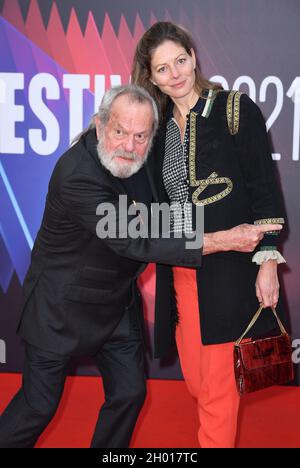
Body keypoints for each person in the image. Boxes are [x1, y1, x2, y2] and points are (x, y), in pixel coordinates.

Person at [0, 84, 205, 448]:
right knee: (38, 405)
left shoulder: (143, 157)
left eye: (141, 136)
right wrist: (215, 241)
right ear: (99, 125)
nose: (129, 145)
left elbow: (164, 211)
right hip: (60, 306)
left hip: (115, 305)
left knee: (129, 393)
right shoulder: (76, 173)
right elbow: (132, 240)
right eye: (120, 132)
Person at [132, 21, 286, 448]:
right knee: (199, 384)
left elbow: (264, 190)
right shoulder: (156, 129)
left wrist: (268, 261)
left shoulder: (234, 109)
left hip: (232, 271)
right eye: (162, 69)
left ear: (193, 56)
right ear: (151, 76)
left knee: (218, 394)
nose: (175, 74)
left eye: (180, 60)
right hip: (180, 272)